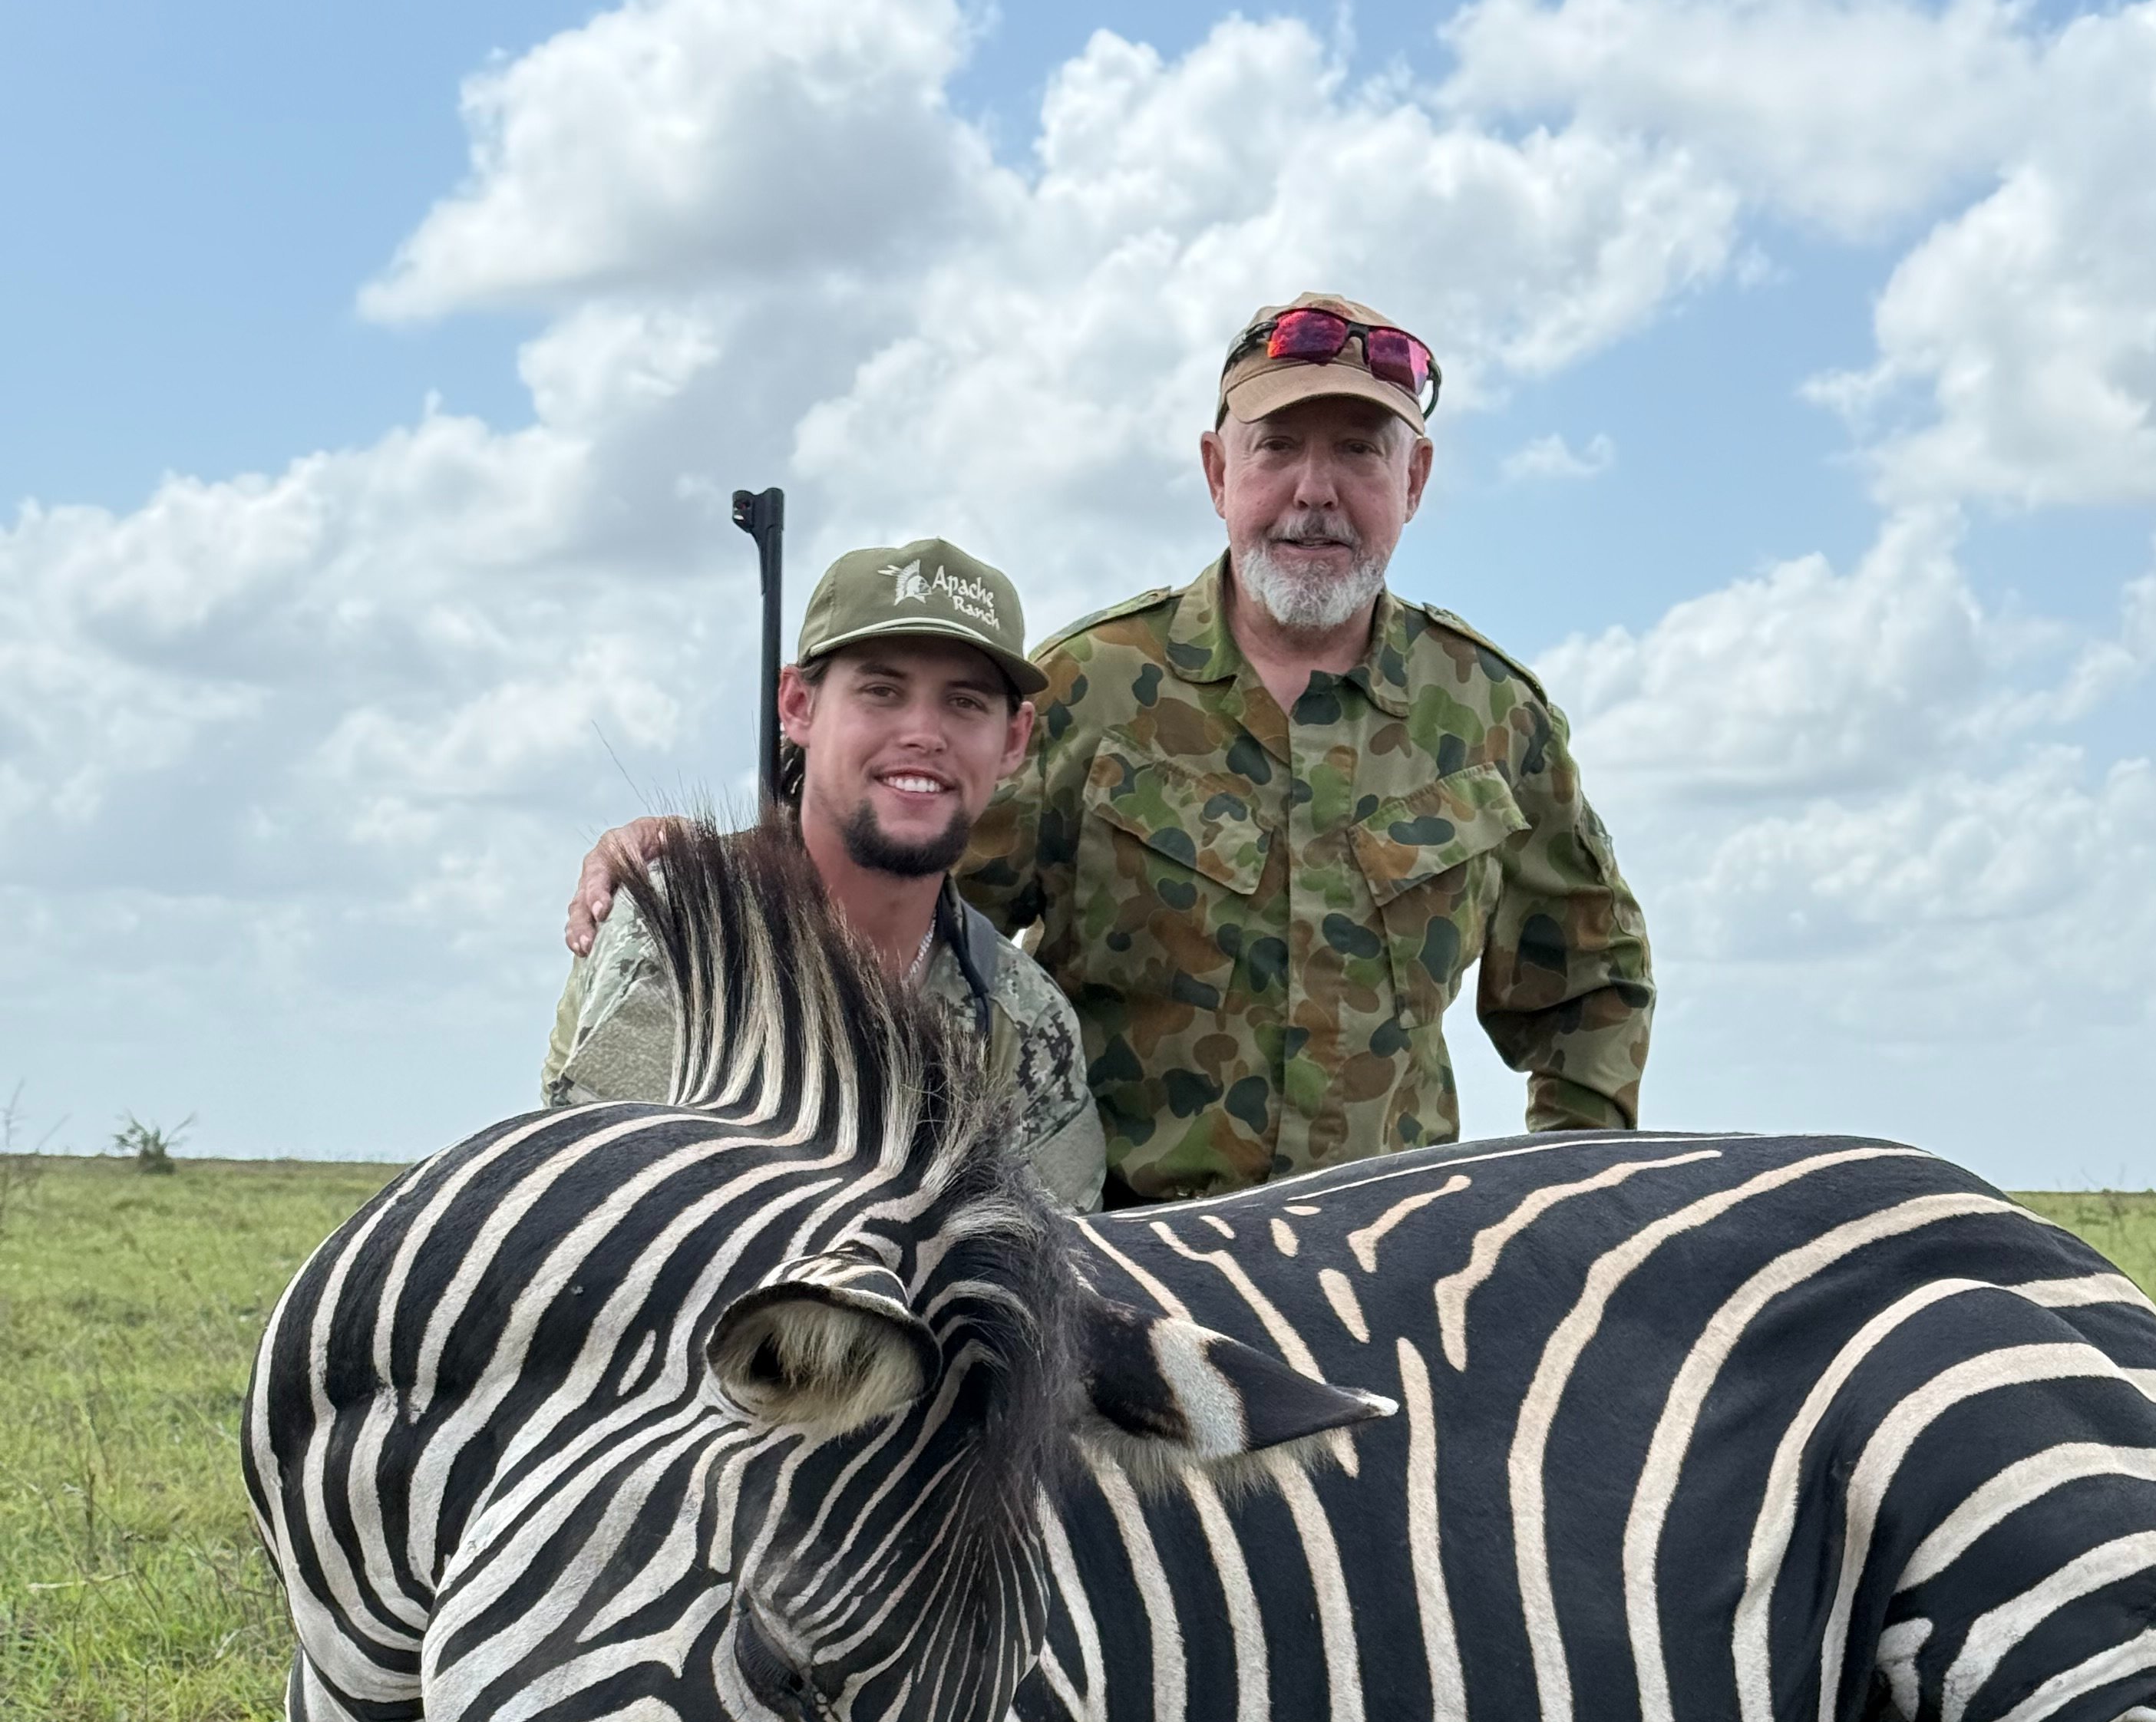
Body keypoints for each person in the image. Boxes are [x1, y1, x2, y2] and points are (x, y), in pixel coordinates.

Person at [561, 295, 1651, 1207]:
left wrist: (1559, 1210)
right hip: (1120, 1270)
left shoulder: (1492, 714)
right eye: (1277, 449)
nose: (1315, 493)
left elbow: (1591, 984)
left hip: (1384, 1284)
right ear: (1220, 471)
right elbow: (892, 876)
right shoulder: (1090, 687)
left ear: (1412, 482)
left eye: (1360, 453)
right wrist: (701, 865)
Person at [543, 538, 1106, 1213]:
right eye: (881, 691)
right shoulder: (684, 931)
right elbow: (595, 1214)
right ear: (797, 706)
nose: (924, 733)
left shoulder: (1023, 1018)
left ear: (1014, 740)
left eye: (965, 702)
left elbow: (1059, 1269)